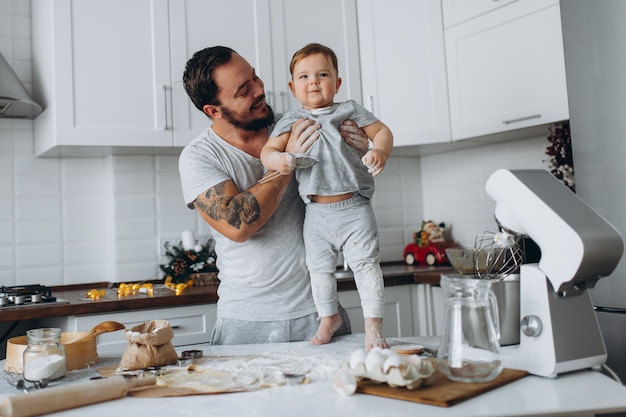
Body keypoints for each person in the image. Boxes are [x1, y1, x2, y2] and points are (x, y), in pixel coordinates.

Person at [179, 45, 369, 345]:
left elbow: (348, 192)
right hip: (246, 323)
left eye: (255, 77)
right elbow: (237, 225)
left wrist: (359, 153)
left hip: (321, 315)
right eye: (244, 90)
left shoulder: (298, 124)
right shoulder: (200, 156)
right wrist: (287, 162)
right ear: (213, 111)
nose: (259, 89)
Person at [260, 43, 394, 350]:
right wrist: (280, 160)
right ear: (293, 87)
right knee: (319, 270)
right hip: (316, 214)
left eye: (322, 74)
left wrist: (379, 150)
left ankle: (374, 327)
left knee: (366, 266)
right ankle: (328, 318)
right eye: (304, 77)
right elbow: (268, 151)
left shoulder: (350, 110)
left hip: (355, 208)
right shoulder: (291, 120)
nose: (314, 82)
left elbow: (383, 132)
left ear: (337, 82)